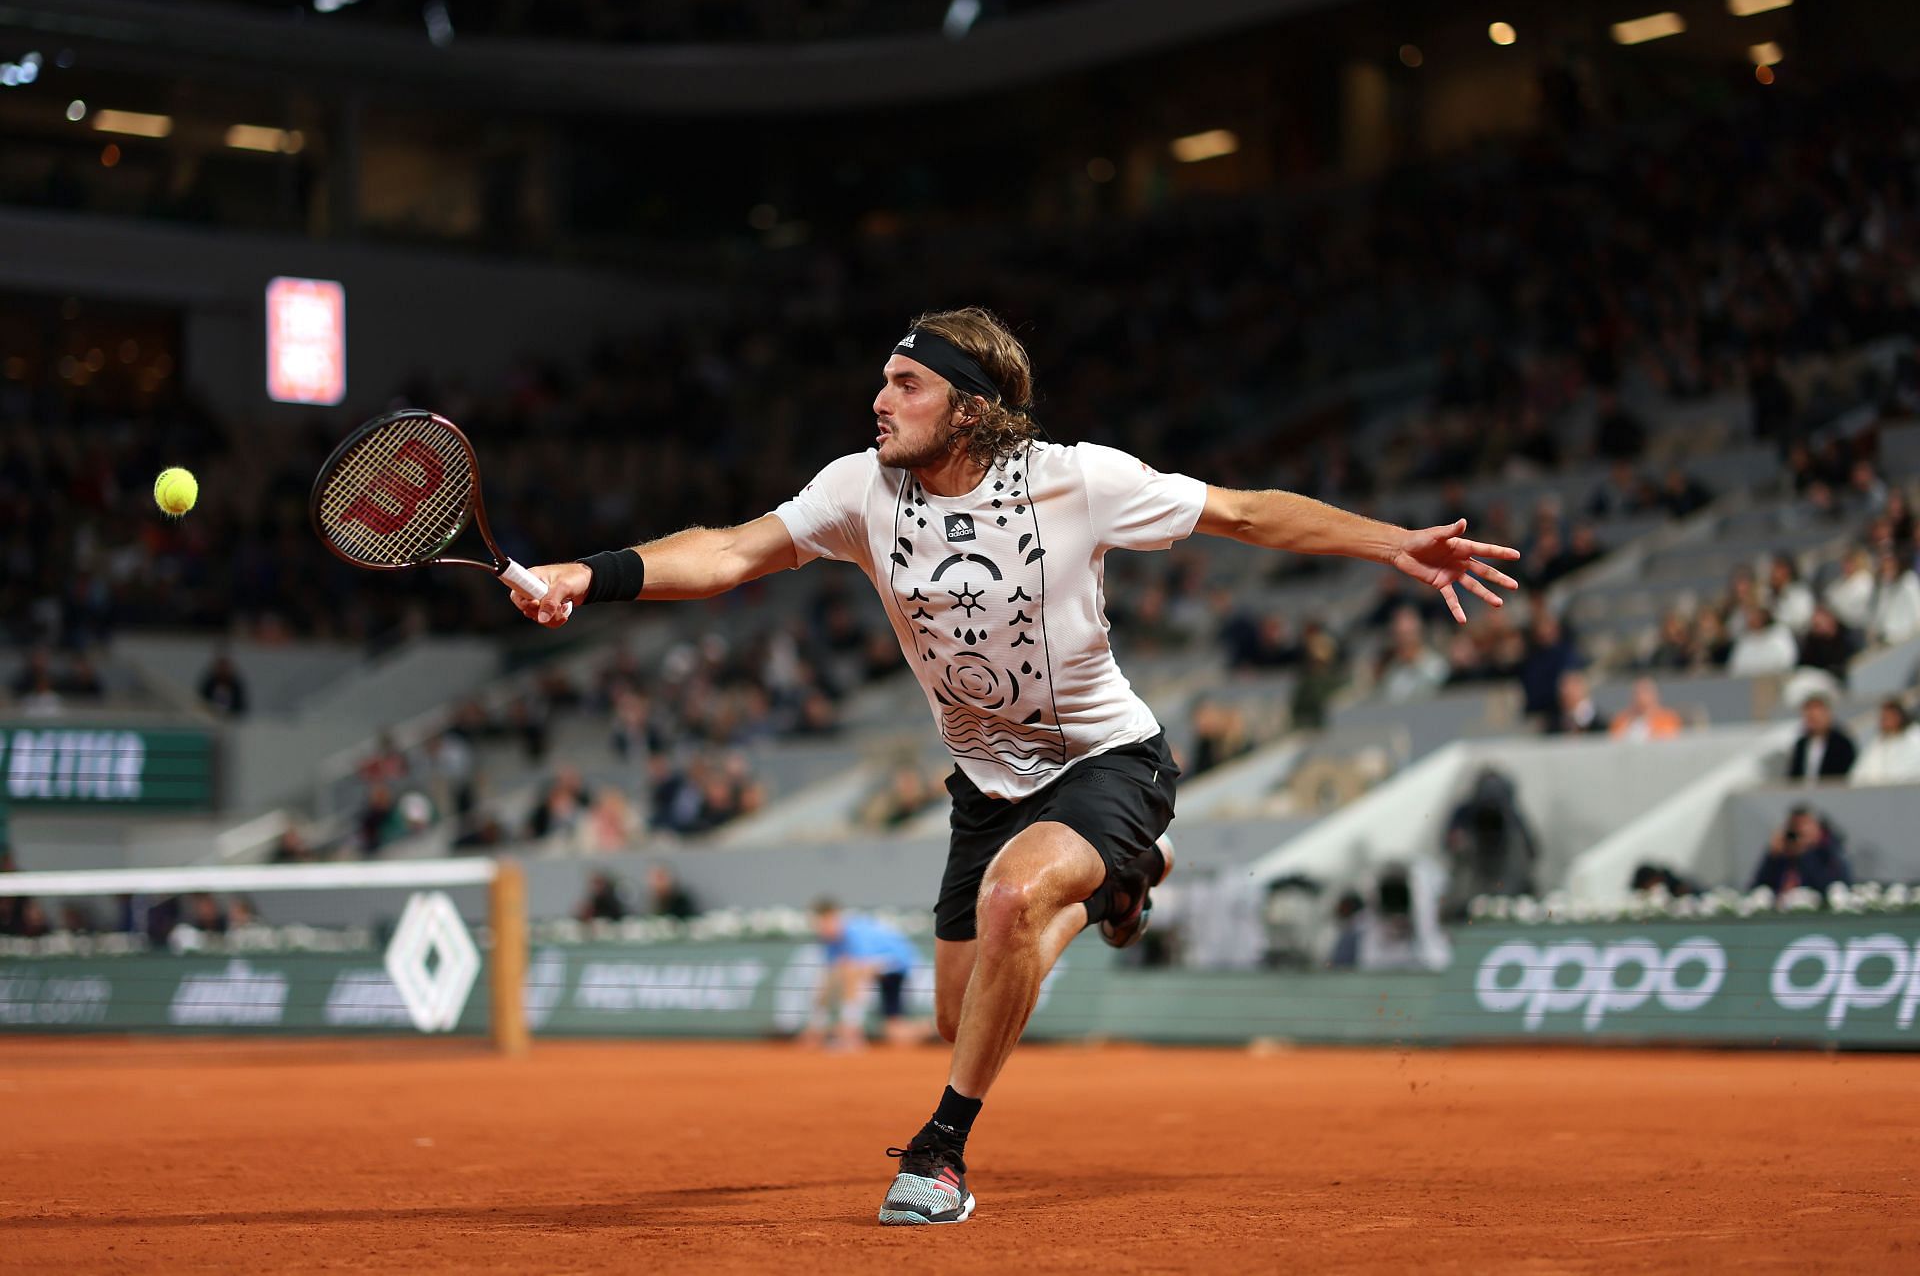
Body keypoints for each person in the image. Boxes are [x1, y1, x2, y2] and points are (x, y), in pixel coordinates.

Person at [507, 306, 1520, 1225]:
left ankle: (940, 1154)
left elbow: (1246, 512)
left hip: (1110, 759)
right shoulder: (858, 490)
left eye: (907, 382)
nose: (880, 397)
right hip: (985, 788)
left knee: (1010, 904)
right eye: (883, 379)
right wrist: (583, 578)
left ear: (972, 407)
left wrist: (1395, 544)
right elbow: (731, 551)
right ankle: (1123, 880)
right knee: (966, 1009)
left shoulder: (1078, 479)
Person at [802, 898, 929, 1051]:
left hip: (900, 966)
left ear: (834, 916)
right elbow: (828, 980)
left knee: (849, 970)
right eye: (817, 924)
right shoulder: (830, 941)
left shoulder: (855, 932)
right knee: (895, 1034)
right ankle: (936, 1028)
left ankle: (851, 1032)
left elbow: (862, 971)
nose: (821, 928)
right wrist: (816, 1024)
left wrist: (848, 1023)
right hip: (883, 972)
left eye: (824, 922)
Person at [1751, 806, 1851, 896]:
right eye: (1794, 827)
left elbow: (1833, 886)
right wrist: (1772, 857)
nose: (1799, 833)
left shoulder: (1828, 850)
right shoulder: (1781, 855)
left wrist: (1806, 853)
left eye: (1805, 825)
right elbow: (1758, 888)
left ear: (1816, 827)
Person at [1786, 694, 1856, 782]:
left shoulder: (1842, 744)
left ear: (1827, 713)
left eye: (1817, 714)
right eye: (1809, 716)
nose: (1813, 718)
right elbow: (1793, 777)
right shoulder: (1801, 745)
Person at [1851, 699, 1920, 787]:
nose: (1884, 721)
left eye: (1888, 717)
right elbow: (1858, 774)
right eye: (1883, 717)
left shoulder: (1915, 738)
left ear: (1898, 716)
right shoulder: (1878, 742)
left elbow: (1908, 773)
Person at [1609, 677, 1683, 741]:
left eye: (1645, 691)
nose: (1640, 697)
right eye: (1637, 693)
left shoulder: (1668, 718)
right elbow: (1614, 739)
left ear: (1655, 695)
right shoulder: (1621, 720)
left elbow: (1670, 737)